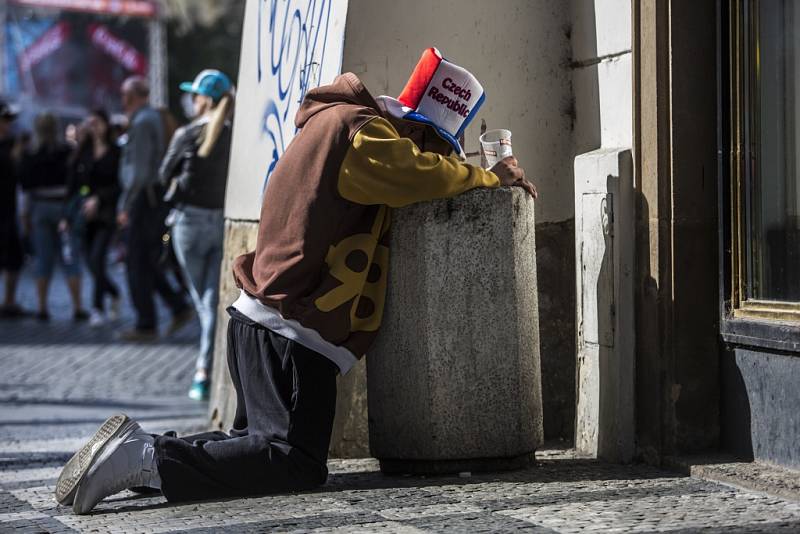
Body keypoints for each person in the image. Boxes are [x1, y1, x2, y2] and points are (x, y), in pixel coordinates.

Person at [55, 48, 536, 514]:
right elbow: (415, 174)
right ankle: (142, 460)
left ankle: (143, 451)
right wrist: (488, 176)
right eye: (435, 145)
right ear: (415, 127)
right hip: (291, 330)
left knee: (255, 445)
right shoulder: (361, 133)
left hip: (264, 321)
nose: (433, 156)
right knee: (293, 461)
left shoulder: (336, 123)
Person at [159, 70, 234, 401]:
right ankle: (207, 369)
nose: (191, 101)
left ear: (205, 100)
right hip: (220, 221)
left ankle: (203, 372)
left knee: (204, 300)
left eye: (194, 95)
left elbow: (164, 174)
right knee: (211, 299)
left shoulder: (188, 133)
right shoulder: (235, 136)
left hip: (189, 223)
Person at [116, 76, 191, 341]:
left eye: (124, 95)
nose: (122, 100)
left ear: (133, 96)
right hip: (150, 198)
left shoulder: (143, 121)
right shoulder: (150, 118)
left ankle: (146, 323)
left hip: (143, 200)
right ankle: (176, 307)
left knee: (136, 262)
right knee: (145, 260)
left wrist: (125, 206)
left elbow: (138, 172)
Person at [19, 112, 87, 321]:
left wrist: (25, 216)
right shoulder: (67, 152)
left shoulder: (29, 153)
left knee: (43, 259)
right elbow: (77, 180)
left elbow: (25, 186)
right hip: (63, 208)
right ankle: (77, 307)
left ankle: (41, 307)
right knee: (70, 257)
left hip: (39, 207)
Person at [65, 109, 122, 327]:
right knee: (91, 263)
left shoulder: (116, 152)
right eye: (91, 122)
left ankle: (97, 307)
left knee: (98, 259)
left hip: (106, 214)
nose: (94, 126)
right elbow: (72, 186)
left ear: (106, 124)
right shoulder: (82, 152)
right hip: (83, 216)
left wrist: (98, 199)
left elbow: (119, 184)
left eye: (98, 122)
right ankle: (114, 292)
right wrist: (65, 215)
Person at [0, 100, 25, 318]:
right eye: (5, 120)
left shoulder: (11, 145)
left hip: (9, 210)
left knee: (13, 257)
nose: (8, 125)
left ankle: (9, 302)